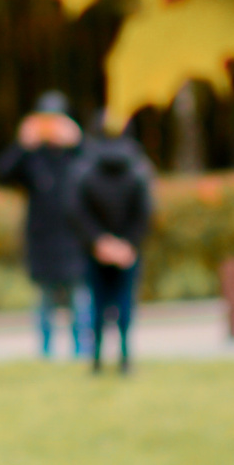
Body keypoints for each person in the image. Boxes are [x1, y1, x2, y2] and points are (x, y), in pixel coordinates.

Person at [0, 91, 87, 358]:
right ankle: (45, 354)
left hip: (74, 238)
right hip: (42, 239)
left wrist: (77, 142)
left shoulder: (76, 154)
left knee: (79, 298)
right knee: (44, 300)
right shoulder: (32, 156)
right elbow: (2, 172)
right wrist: (23, 145)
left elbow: (95, 168)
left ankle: (82, 352)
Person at [68, 118, 156, 374]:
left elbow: (75, 210)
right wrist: (128, 244)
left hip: (94, 252)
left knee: (95, 304)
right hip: (127, 253)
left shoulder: (84, 167)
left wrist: (98, 242)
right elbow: (145, 211)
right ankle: (125, 359)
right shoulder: (139, 168)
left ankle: (95, 361)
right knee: (125, 304)